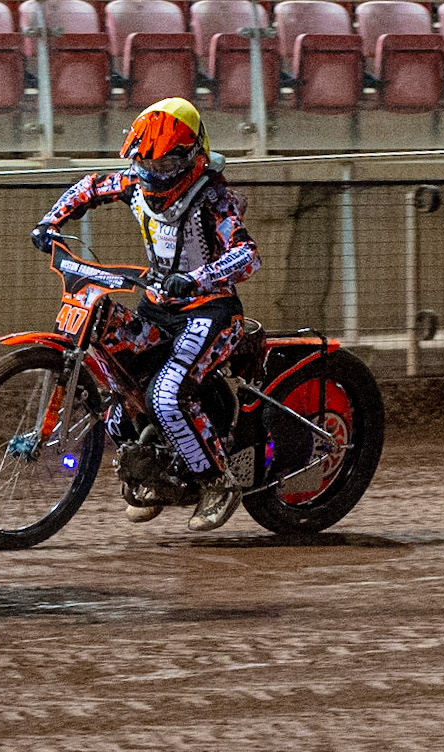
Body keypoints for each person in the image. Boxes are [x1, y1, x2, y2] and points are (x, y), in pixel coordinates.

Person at [31, 97, 260, 532]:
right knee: (120, 384)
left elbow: (247, 255)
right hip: (158, 305)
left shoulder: (214, 197)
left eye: (165, 166)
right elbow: (89, 187)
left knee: (167, 393)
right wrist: (50, 222)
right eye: (145, 165)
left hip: (212, 311)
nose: (153, 175)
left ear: (193, 155)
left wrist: (197, 279)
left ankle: (218, 482)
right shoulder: (135, 183)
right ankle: (152, 475)